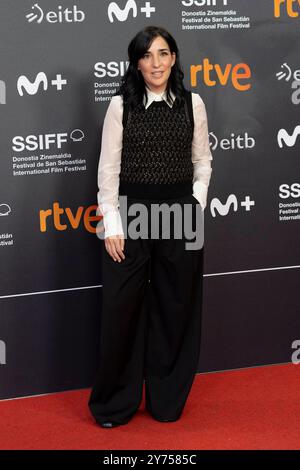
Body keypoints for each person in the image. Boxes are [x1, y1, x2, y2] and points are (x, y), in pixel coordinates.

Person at [88, 25, 213, 428]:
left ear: (174, 58)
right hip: (132, 213)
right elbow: (108, 171)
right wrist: (111, 224)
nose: (155, 63)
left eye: (162, 54)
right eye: (146, 55)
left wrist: (196, 204)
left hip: (182, 213)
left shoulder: (193, 104)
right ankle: (114, 404)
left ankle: (166, 400)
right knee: (122, 310)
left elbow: (202, 161)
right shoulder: (120, 106)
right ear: (136, 63)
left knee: (176, 308)